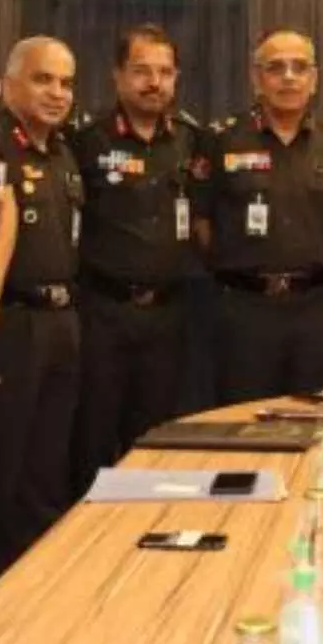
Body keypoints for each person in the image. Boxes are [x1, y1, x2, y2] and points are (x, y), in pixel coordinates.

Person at [68, 25, 207, 493]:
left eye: (165, 72)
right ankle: (87, 530)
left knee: (157, 437)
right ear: (117, 75)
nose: (154, 82)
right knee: (93, 435)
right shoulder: (87, 141)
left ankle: (146, 525)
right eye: (142, 71)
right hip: (103, 312)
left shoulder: (191, 140)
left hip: (169, 315)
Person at [192, 29, 323, 404]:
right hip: (244, 311)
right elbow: (200, 221)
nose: (288, 77)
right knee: (241, 421)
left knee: (317, 419)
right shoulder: (222, 139)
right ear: (256, 78)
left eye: (299, 67)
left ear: (314, 79)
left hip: (316, 310)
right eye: (276, 67)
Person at [0, 36, 82, 585]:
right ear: (9, 85)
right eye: (43, 79)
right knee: (3, 470)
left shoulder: (63, 152)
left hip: (62, 322)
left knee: (47, 470)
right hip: (11, 325)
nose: (57, 92)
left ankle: (36, 589)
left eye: (66, 82)